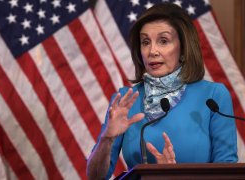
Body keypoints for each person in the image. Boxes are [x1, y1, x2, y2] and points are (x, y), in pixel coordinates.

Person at [86, 3, 238, 180]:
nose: (152, 51)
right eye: (145, 42)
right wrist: (107, 139)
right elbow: (95, 177)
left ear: (183, 48)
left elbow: (227, 173)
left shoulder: (213, 96)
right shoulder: (125, 100)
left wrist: (172, 176)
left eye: (163, 41)